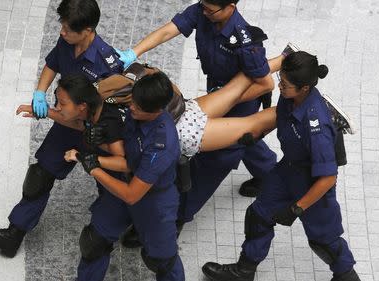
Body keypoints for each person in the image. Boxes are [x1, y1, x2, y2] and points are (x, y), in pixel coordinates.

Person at [201, 51, 361, 281]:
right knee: (259, 215)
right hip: (287, 171)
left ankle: (346, 277)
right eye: (281, 80)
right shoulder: (291, 97)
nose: (280, 85)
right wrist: (255, 135)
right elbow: (280, 119)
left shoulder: (316, 124)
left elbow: (328, 178)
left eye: (285, 84)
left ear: (305, 87)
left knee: (323, 239)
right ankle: (244, 273)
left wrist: (297, 208)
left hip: (313, 185)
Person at [0, 0, 123, 258]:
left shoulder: (106, 66)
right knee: (39, 176)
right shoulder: (67, 41)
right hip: (67, 124)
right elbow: (53, 64)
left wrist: (48, 114)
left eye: (68, 28)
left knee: (111, 189)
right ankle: (13, 234)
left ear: (87, 30)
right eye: (61, 25)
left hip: (100, 134)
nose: (62, 32)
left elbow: (91, 120)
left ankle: (134, 229)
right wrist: (40, 93)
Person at [43, 72, 187, 281]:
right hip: (123, 183)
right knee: (94, 241)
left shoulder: (162, 145)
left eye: (138, 107)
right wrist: (97, 146)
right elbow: (128, 159)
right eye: (133, 102)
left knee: (161, 258)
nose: (131, 108)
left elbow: (132, 193)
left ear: (155, 111)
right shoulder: (134, 106)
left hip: (152, 202)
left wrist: (93, 166)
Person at [117, 0, 280, 200]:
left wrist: (227, 97)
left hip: (243, 99)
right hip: (218, 88)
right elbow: (168, 31)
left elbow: (265, 84)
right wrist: (134, 52)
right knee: (242, 139)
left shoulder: (244, 41)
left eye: (210, 10)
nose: (204, 12)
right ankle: (270, 174)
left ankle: (183, 213)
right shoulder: (203, 11)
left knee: (220, 156)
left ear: (230, 7)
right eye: (202, 6)